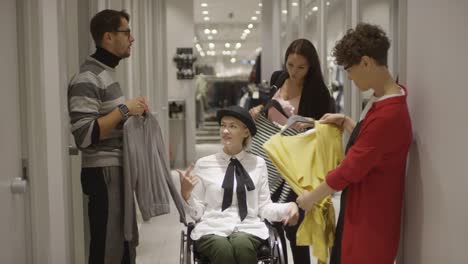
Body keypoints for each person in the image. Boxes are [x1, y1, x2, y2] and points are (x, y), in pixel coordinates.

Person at [296, 23, 412, 264]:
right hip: (367, 207)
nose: (347, 76)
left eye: (349, 69)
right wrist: (349, 122)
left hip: (370, 218)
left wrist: (311, 198)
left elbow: (350, 170)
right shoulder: (384, 98)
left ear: (366, 63)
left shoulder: (387, 115)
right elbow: (374, 147)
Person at [68, 9, 148, 264]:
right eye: (126, 32)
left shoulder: (106, 74)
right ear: (108, 37)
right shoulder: (87, 78)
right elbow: (84, 135)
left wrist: (133, 115)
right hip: (103, 172)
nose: (132, 39)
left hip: (114, 169)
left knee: (122, 246)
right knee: (107, 249)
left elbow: (109, 122)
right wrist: (125, 109)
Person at [178, 105, 300, 264]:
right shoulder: (204, 164)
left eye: (232, 126)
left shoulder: (258, 164)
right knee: (223, 250)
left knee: (242, 245)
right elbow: (198, 212)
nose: (225, 131)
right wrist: (187, 195)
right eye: (223, 125)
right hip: (211, 227)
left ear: (246, 132)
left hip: (248, 227)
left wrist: (289, 207)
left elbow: (264, 207)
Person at [249, 39, 334, 264]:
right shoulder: (278, 79)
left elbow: (328, 130)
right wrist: (258, 109)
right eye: (290, 65)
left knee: (296, 232)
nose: (294, 72)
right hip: (268, 163)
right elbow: (266, 110)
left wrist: (310, 124)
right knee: (269, 227)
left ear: (311, 67)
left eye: (301, 68)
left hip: (297, 172)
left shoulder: (318, 93)